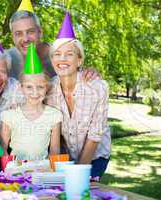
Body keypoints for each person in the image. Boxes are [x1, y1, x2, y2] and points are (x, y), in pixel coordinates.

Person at [46, 12, 111, 179]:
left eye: (69, 54)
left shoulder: (98, 88)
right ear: (52, 59)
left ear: (79, 60)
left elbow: (95, 135)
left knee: (83, 192)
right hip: (65, 158)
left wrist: (78, 172)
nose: (63, 59)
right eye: (57, 54)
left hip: (95, 157)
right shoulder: (48, 89)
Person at [7, 0, 99, 81]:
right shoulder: (6, 59)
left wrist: (89, 74)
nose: (25, 39)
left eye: (30, 31)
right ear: (12, 37)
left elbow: (78, 76)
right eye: (18, 33)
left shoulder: (61, 54)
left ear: (40, 32)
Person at [0, 43, 62, 160]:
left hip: (42, 171)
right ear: (21, 88)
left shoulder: (54, 116)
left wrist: (49, 173)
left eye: (40, 87)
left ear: (47, 87)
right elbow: (2, 149)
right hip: (15, 172)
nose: (35, 92)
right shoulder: (9, 116)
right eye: (29, 87)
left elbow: (54, 151)